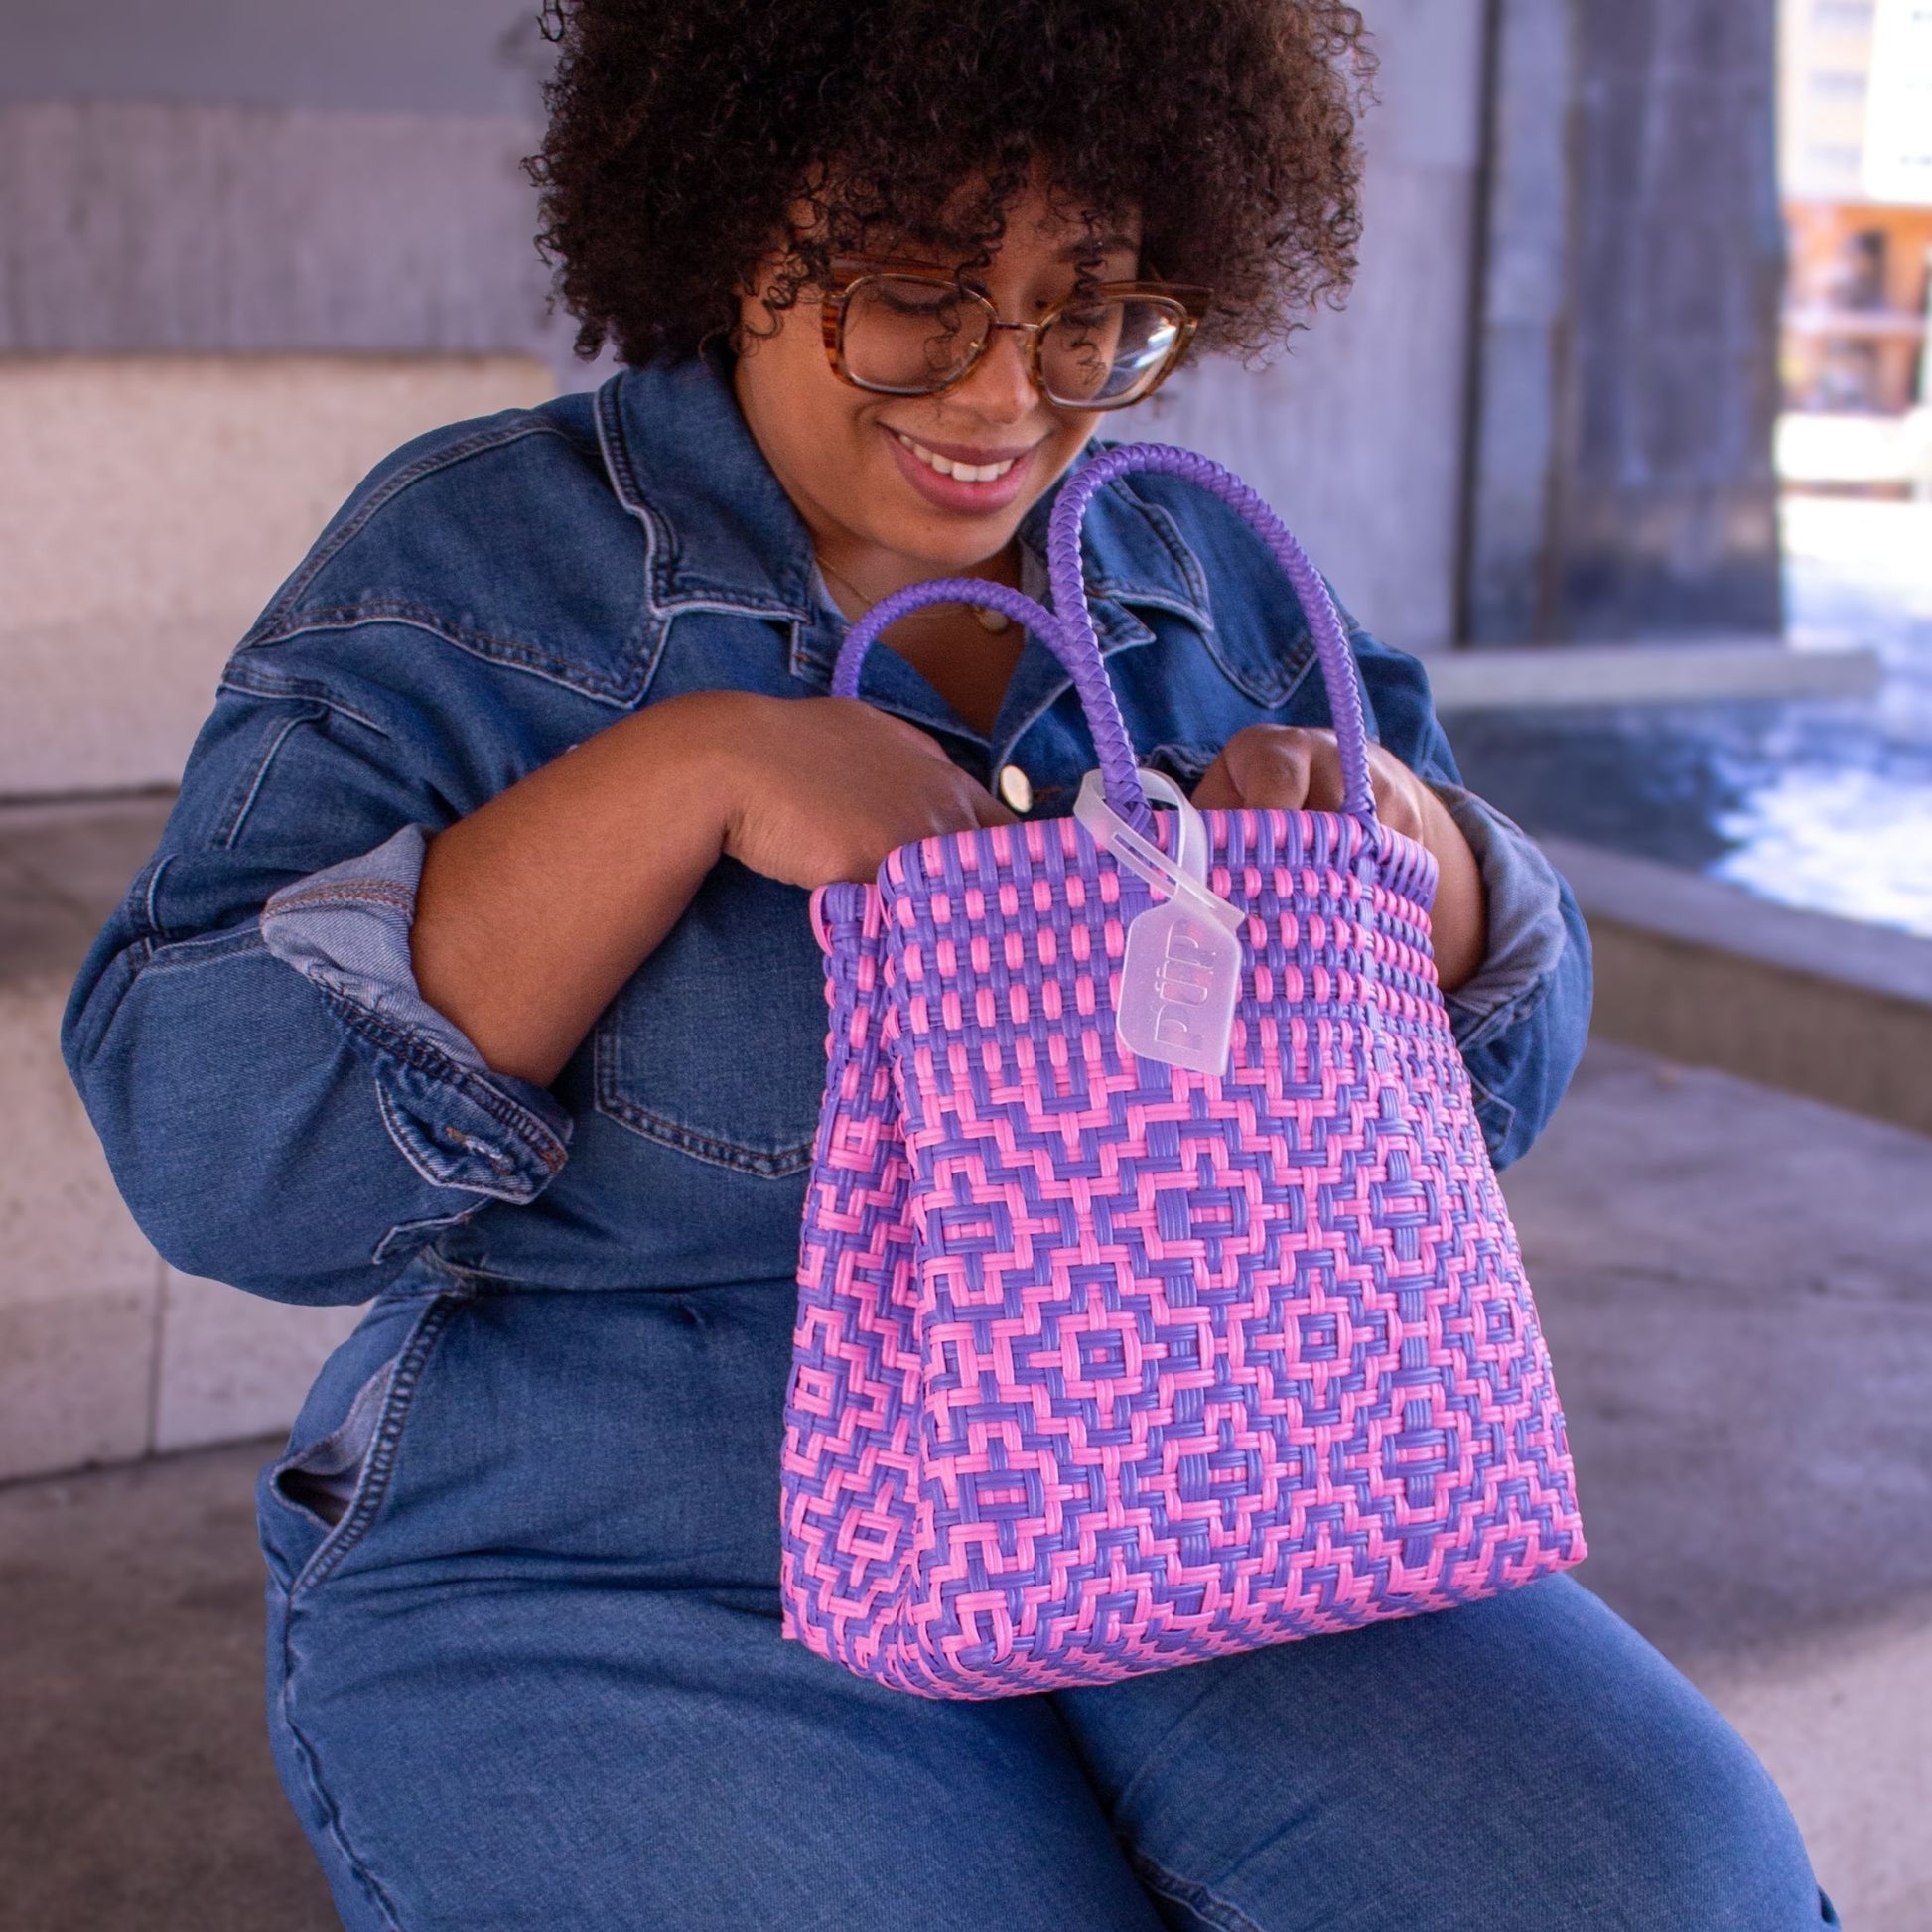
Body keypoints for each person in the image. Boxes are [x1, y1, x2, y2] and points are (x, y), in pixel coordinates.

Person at [64, 1, 1836, 1925]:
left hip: (1222, 1481)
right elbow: (212, 1145)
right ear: (734, 223)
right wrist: (684, 775)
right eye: (915, 295)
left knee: (1670, 1883)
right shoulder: (474, 566)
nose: (1005, 393)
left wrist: (1417, 857)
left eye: (1087, 313)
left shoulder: (1195, 578)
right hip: (625, 1533)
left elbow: (1485, 1088)